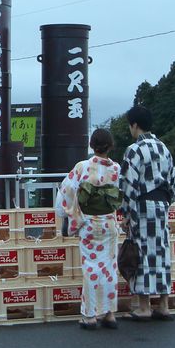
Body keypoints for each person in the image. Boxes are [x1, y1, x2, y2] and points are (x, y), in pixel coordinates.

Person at [56, 128, 122, 330]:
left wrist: (64, 214)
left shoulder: (82, 167)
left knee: (91, 268)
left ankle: (90, 315)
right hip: (109, 223)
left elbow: (66, 191)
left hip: (89, 223)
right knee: (110, 268)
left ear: (92, 145)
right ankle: (109, 313)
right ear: (110, 146)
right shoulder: (116, 169)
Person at [119, 105, 175, 321]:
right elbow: (172, 183)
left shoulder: (134, 150)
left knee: (142, 253)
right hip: (161, 207)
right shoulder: (164, 149)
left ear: (134, 125)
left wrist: (126, 212)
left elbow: (128, 184)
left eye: (130, 125)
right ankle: (163, 305)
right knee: (161, 254)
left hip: (142, 207)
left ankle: (143, 307)